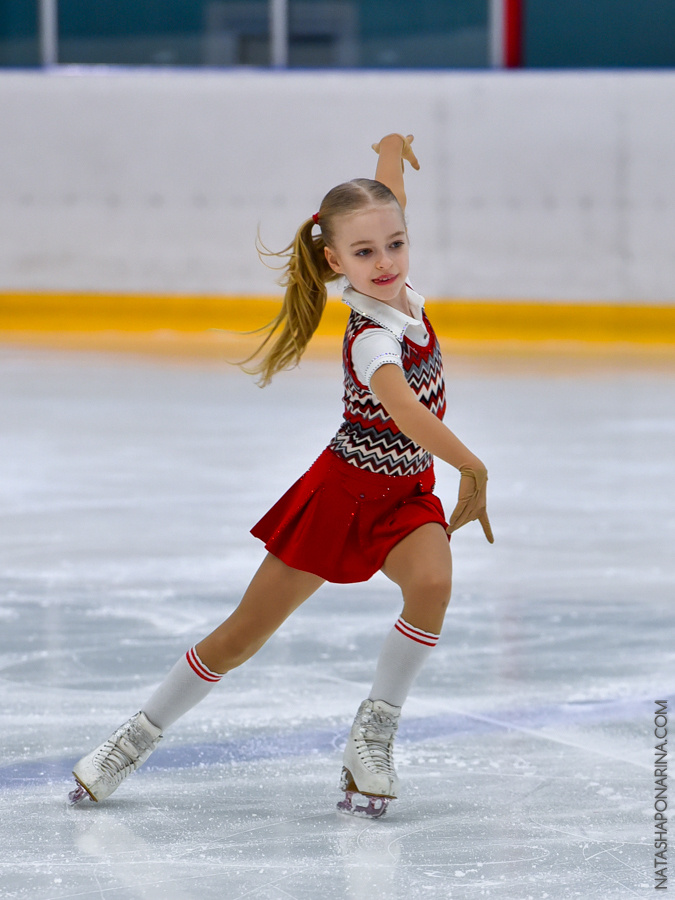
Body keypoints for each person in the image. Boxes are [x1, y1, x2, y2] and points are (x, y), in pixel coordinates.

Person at [68, 133, 493, 819]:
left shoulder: (401, 290)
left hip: (403, 494)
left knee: (433, 581)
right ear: (333, 261)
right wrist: (470, 464)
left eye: (395, 243)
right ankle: (129, 742)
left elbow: (387, 204)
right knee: (242, 635)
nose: (384, 261)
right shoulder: (373, 339)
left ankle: (372, 738)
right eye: (364, 253)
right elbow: (408, 412)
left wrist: (388, 156)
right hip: (341, 497)